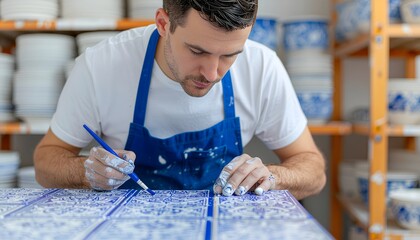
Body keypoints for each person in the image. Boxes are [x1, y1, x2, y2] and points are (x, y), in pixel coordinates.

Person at [34, 0, 326, 199]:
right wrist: (86, 171)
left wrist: (273, 177)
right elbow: (46, 162)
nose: (212, 74)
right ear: (163, 23)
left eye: (229, 55)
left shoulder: (262, 67)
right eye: (197, 51)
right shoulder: (101, 65)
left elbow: (314, 171)